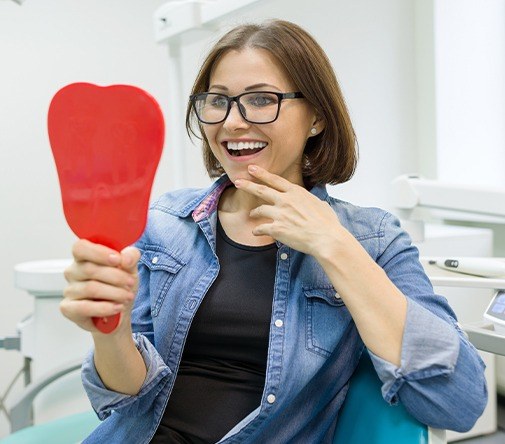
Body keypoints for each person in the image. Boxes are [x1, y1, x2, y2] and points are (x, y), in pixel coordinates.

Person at [62, 19, 487, 444]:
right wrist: (111, 330)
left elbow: (459, 401)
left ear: (317, 117)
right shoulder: (164, 224)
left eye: (261, 99)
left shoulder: (372, 239)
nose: (231, 123)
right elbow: (125, 399)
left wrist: (334, 245)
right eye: (218, 101)